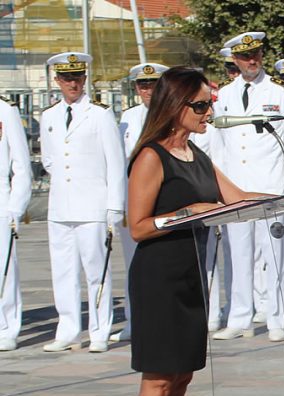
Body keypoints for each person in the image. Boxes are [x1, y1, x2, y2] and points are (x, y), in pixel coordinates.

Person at [128, 67, 263, 396]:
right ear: (176, 107)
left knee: (181, 383)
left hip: (192, 278)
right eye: (202, 105)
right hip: (159, 280)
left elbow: (238, 198)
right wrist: (187, 212)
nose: (210, 112)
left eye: (211, 103)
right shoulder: (153, 156)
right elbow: (139, 226)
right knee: (158, 385)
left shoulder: (197, 155)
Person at [210, 31, 284, 343]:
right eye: (245, 56)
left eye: (256, 54)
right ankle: (239, 317)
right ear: (234, 59)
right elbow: (218, 145)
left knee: (274, 257)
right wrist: (220, 191)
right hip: (236, 187)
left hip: (270, 186)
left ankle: (276, 318)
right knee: (239, 256)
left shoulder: (280, 93)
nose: (251, 60)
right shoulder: (223, 96)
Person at [39, 52, 124, 353]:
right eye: (66, 78)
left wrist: (115, 205)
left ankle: (99, 330)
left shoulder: (100, 114)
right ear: (57, 81)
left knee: (95, 270)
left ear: (85, 78)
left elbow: (115, 162)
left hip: (92, 206)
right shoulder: (48, 116)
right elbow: (49, 160)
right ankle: (68, 328)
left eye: (77, 77)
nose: (72, 84)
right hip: (61, 205)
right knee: (62, 270)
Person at [108, 62, 169, 345]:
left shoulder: (172, 116)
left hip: (162, 200)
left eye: (154, 84)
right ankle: (135, 321)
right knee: (134, 266)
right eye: (143, 85)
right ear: (136, 88)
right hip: (133, 201)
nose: (148, 90)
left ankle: (163, 320)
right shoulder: (126, 119)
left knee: (164, 265)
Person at [0, 95, 31, 351]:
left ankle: (7, 327)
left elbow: (21, 164)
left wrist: (15, 207)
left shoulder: (5, 111)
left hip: (1, 201)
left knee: (4, 268)